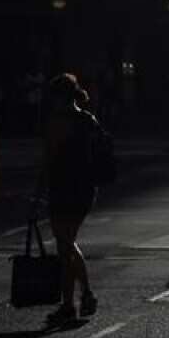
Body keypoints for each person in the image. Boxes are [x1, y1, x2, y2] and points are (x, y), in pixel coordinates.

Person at [35, 73, 101, 324]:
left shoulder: (56, 123)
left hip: (62, 188)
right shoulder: (88, 119)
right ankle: (79, 298)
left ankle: (76, 300)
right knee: (67, 243)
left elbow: (48, 161)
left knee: (65, 244)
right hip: (85, 189)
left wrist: (37, 194)